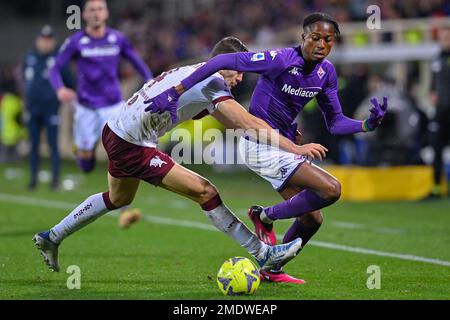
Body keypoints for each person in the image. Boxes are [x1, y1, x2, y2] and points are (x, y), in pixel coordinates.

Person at [33, 36, 319, 274]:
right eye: (239, 69)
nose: (240, 77)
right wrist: (295, 148)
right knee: (206, 192)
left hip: (118, 130)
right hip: (133, 143)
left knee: (119, 198)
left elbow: (230, 121)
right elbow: (245, 123)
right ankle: (263, 253)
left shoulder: (194, 72)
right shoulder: (213, 82)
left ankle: (52, 237)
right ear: (226, 63)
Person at [145, 12, 388, 284]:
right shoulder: (282, 60)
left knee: (312, 220)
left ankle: (272, 270)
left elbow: (335, 122)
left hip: (281, 145)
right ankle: (263, 215)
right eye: (315, 38)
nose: (321, 44)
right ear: (303, 37)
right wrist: (177, 89)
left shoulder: (326, 73)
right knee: (331, 189)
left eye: (328, 40)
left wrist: (366, 125)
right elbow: (222, 60)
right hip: (260, 144)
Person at [49, 0, 153, 227]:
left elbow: (136, 61)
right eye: (91, 10)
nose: (96, 13)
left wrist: (150, 82)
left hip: (113, 106)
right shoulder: (76, 42)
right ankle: (85, 156)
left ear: (106, 13)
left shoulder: (117, 39)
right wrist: (60, 89)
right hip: (86, 107)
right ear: (84, 15)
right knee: (86, 162)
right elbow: (56, 68)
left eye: (100, 9)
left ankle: (125, 208)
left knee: (124, 151)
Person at [23, 25, 73, 190]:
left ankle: (55, 180)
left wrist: (62, 97)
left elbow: (70, 81)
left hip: (51, 109)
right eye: (43, 40)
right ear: (38, 40)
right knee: (34, 144)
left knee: (53, 145)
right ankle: (33, 180)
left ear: (53, 42)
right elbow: (25, 80)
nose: (45, 43)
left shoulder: (58, 59)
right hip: (33, 109)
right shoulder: (29, 57)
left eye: (48, 40)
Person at [429, 26, 450, 198]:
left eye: (447, 37)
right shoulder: (437, 59)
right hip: (440, 111)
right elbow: (433, 82)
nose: (445, 40)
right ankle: (436, 187)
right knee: (436, 148)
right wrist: (432, 92)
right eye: (443, 37)